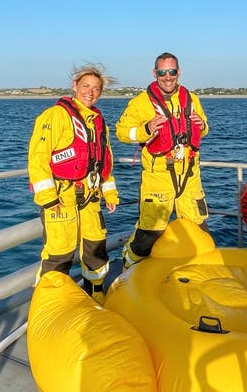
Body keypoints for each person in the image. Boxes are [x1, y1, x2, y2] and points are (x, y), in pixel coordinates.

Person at [28, 64, 119, 303]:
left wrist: (110, 194)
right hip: (61, 200)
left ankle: (96, 293)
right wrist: (49, 199)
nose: (90, 92)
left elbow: (103, 161)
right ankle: (49, 303)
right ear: (75, 87)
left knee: (95, 249)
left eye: (96, 89)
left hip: (90, 199)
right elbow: (38, 159)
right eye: (86, 86)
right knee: (59, 254)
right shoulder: (55, 116)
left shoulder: (98, 122)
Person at [116, 52, 209, 269]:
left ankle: (195, 274)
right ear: (155, 73)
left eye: (172, 71)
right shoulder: (140, 103)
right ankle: (127, 267)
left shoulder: (192, 99)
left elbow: (204, 128)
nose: (168, 77)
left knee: (198, 229)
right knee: (150, 233)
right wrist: (145, 129)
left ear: (179, 72)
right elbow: (121, 132)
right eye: (162, 72)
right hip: (158, 179)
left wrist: (202, 126)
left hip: (189, 177)